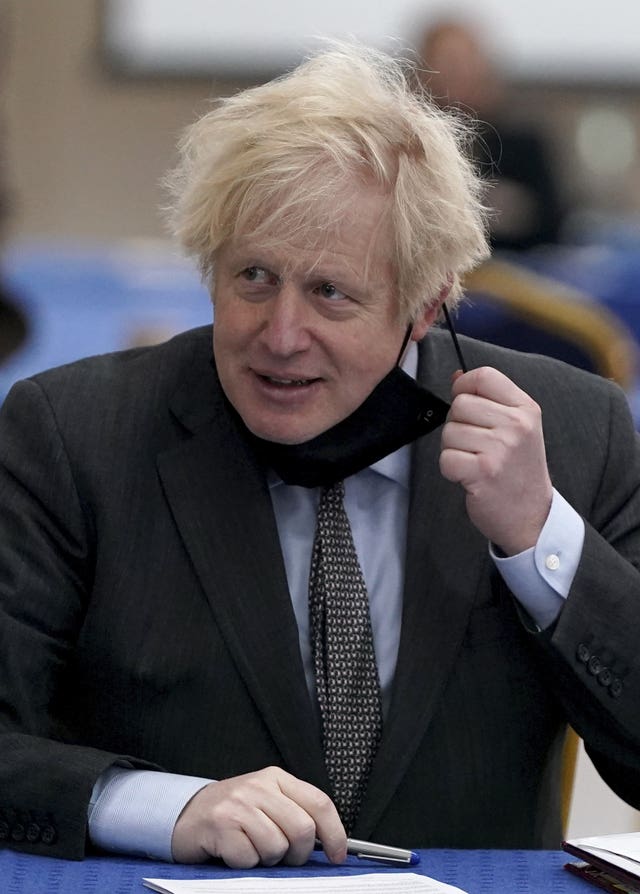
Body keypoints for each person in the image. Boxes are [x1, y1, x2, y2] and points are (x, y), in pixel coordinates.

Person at [1, 43, 639, 869]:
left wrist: (540, 539)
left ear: (425, 304)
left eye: (331, 293)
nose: (281, 335)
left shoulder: (574, 432)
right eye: (254, 278)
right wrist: (165, 806)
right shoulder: (74, 432)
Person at [418, 16, 564, 250]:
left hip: (512, 268)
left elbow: (556, 219)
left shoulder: (521, 139)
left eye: (466, 61)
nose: (459, 72)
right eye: (448, 62)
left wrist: (516, 212)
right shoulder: (409, 142)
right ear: (425, 70)